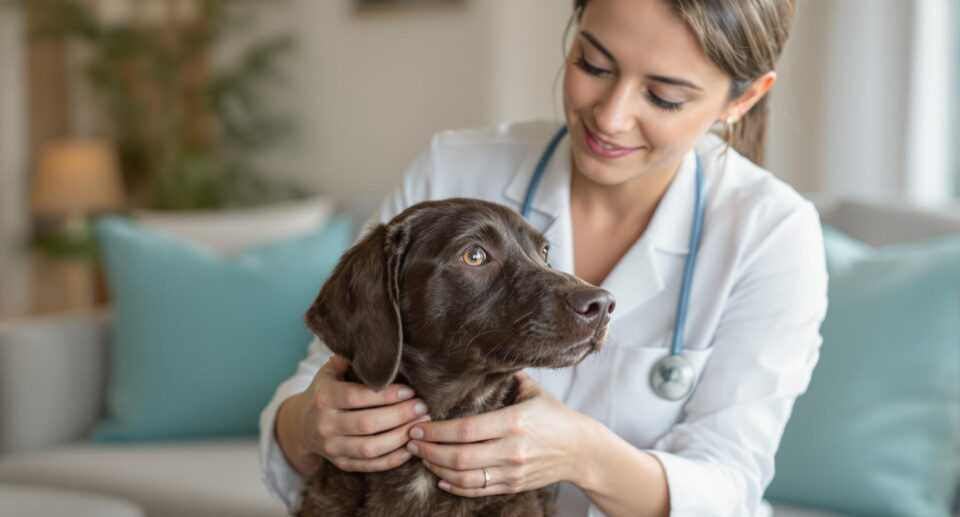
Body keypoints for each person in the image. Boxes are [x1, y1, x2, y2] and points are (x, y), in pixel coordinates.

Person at [260, 0, 827, 515]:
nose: (611, 116)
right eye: (594, 65)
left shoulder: (773, 233)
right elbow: (331, 371)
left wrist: (583, 455)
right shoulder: (457, 168)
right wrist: (311, 424)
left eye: (664, 96)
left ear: (744, 97)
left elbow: (729, 485)